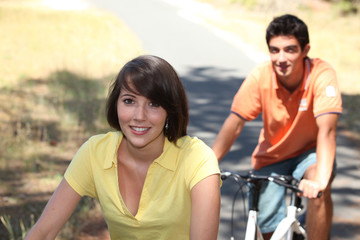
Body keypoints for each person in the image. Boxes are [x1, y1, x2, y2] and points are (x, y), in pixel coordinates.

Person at [25, 55, 221, 240]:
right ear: (115, 104)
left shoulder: (198, 159)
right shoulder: (95, 152)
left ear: (170, 110)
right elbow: (43, 233)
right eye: (129, 101)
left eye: (153, 104)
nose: (139, 116)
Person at [212, 14, 342, 240]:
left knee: (318, 191)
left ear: (305, 50)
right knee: (269, 229)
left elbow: (327, 131)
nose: (281, 58)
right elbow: (234, 123)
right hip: (272, 157)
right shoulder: (261, 75)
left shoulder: (322, 74)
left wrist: (319, 181)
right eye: (274, 50)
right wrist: (208, 165)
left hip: (309, 152)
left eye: (290, 50)